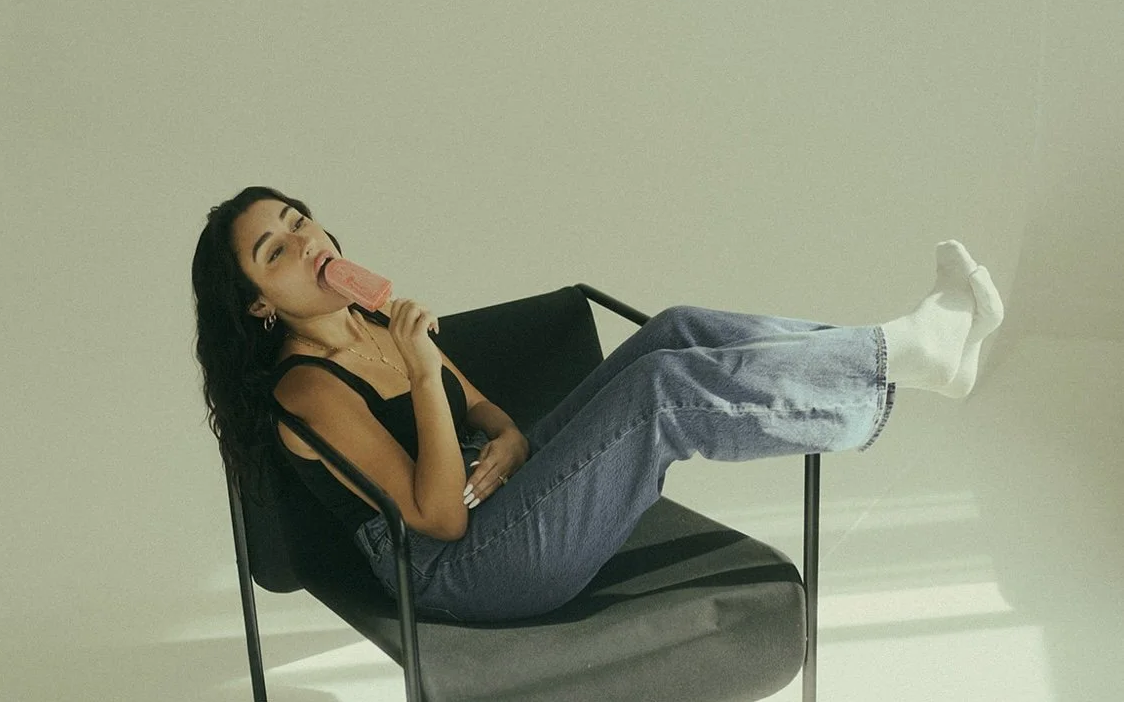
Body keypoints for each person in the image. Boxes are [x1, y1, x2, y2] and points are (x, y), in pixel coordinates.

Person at [191, 185, 1003, 625]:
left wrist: (508, 438)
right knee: (659, 396)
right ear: (260, 304)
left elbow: (486, 413)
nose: (307, 245)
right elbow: (435, 519)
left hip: (502, 499)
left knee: (674, 329)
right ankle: (903, 358)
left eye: (299, 222)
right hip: (459, 573)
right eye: (276, 251)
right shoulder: (304, 389)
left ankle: (902, 355)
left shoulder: (370, 318)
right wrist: (419, 361)